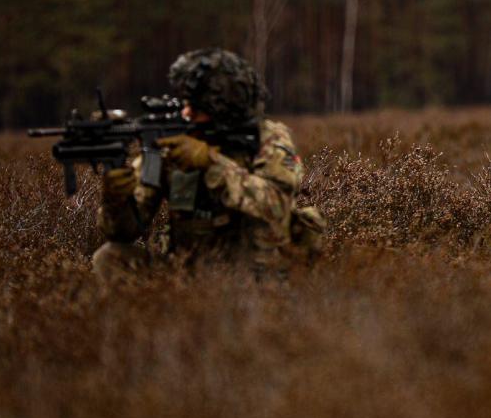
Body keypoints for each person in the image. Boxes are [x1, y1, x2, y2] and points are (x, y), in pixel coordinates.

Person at [93, 47, 320, 278]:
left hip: (256, 274)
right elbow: (122, 232)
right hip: (186, 271)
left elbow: (276, 207)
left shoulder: (268, 139)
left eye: (197, 108)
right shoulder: (173, 144)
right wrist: (117, 197)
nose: (187, 113)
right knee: (110, 258)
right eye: (186, 104)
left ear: (223, 109)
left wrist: (211, 163)